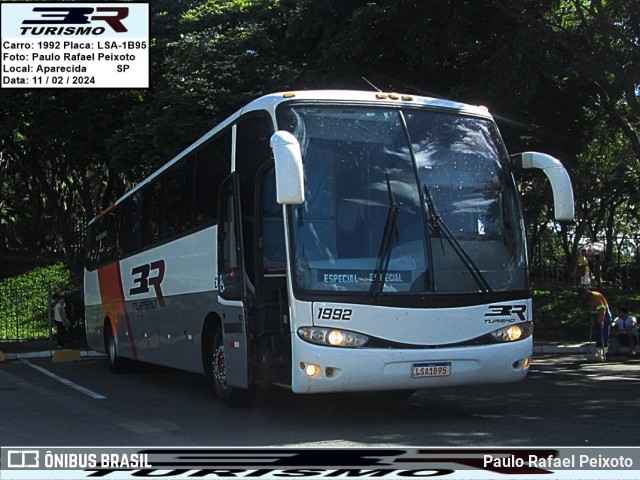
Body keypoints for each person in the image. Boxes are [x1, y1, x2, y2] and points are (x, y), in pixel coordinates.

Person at [578, 287, 612, 361]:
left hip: (604, 316)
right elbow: (593, 309)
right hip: (598, 315)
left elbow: (602, 310)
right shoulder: (589, 298)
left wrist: (600, 321)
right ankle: (599, 352)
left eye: (582, 295)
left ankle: (606, 353)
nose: (582, 297)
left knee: (603, 334)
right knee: (599, 334)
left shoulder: (595, 296)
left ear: (586, 293)